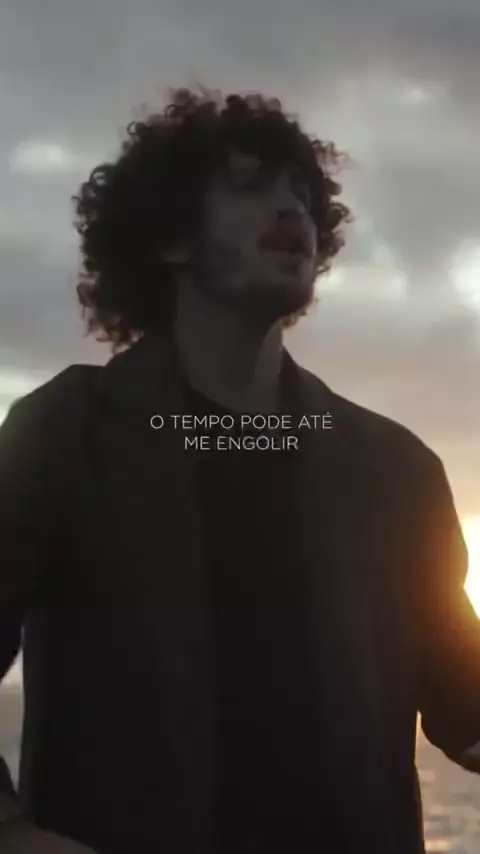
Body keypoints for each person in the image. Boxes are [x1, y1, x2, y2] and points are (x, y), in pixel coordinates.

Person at [0, 86, 479, 854]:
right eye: (251, 187)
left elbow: (464, 699)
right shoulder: (65, 434)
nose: (293, 211)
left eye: (303, 197)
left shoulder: (395, 468)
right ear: (170, 237)